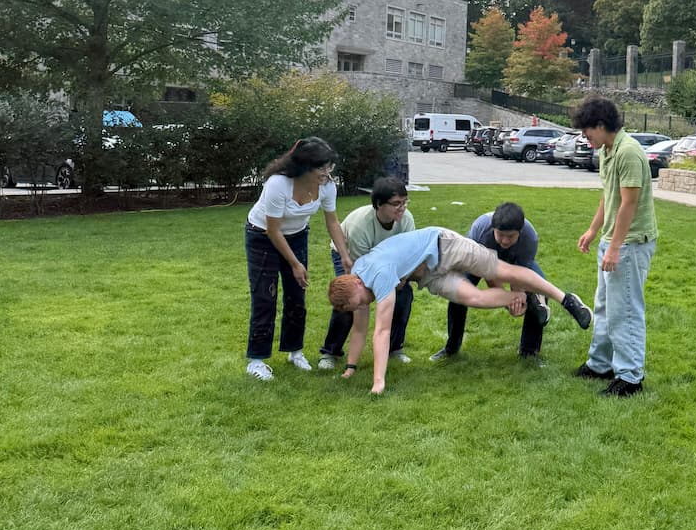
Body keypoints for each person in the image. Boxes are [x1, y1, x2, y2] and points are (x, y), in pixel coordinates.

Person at [327, 226, 593, 395]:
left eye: (359, 301)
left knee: (502, 270)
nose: (362, 306)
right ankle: (524, 295)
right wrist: (350, 366)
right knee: (474, 298)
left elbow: (381, 331)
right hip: (427, 274)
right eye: (356, 306)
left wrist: (378, 382)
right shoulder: (357, 280)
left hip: (444, 245)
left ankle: (565, 298)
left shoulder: (379, 275)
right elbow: (360, 328)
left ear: (358, 283)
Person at [244, 136, 352, 381]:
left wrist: (344, 254)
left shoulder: (326, 187)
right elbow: (273, 230)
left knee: (297, 296)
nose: (327, 173)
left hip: (297, 235)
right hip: (262, 236)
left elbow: (332, 221)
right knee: (265, 296)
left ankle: (295, 351)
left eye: (329, 167)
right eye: (322, 168)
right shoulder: (278, 185)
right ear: (304, 167)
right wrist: (294, 264)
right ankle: (257, 360)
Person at [572, 97, 657, 397]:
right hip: (613, 241)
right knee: (605, 306)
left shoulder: (629, 152)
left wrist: (615, 248)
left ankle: (630, 377)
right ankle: (600, 364)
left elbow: (629, 204)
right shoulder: (608, 151)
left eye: (587, 132)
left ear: (601, 125)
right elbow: (608, 197)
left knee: (626, 311)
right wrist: (594, 231)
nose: (585, 138)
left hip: (630, 244)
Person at [430, 202, 549, 362]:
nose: (505, 241)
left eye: (511, 236)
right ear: (493, 229)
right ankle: (451, 348)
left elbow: (520, 276)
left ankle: (529, 352)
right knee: (457, 291)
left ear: (519, 232)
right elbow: (489, 275)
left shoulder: (530, 238)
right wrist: (508, 302)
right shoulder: (481, 232)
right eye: (500, 235)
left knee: (541, 292)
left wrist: (519, 298)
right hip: (475, 261)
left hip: (514, 260)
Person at [319, 176, 415, 371]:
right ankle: (331, 351)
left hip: (388, 259)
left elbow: (409, 254)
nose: (402, 208)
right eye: (396, 203)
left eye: (405, 202)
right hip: (349, 256)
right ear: (379, 204)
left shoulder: (407, 219)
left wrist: (401, 278)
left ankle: (395, 348)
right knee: (350, 300)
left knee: (404, 295)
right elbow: (361, 271)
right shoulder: (360, 225)